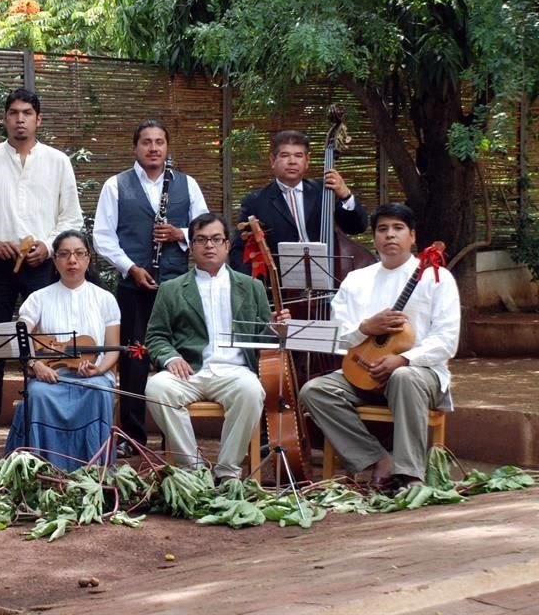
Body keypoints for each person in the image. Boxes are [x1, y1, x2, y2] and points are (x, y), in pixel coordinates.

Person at [298, 203, 460, 487]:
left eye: (398, 228)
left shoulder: (435, 277)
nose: (390, 235)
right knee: (315, 391)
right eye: (383, 229)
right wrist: (366, 328)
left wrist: (404, 359)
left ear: (412, 236)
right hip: (364, 373)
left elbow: (447, 341)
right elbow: (337, 335)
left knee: (404, 377)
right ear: (374, 238)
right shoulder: (357, 279)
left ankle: (410, 474)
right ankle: (377, 459)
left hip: (419, 374)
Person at [0, 88, 84, 450]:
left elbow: (71, 216)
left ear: (38, 119)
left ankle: (44, 423)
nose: (19, 119)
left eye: (27, 113)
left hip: (41, 264)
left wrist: (48, 244)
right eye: (13, 112)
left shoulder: (58, 162)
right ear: (5, 118)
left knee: (44, 344)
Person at [144, 213, 290, 480]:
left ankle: (227, 471)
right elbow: (155, 336)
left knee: (250, 390)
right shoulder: (172, 288)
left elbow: (262, 338)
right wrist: (170, 357)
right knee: (156, 387)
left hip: (235, 370)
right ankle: (194, 469)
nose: (208, 245)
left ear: (226, 245)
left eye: (215, 239)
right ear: (192, 246)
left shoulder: (251, 287)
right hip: (190, 371)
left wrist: (275, 330)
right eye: (200, 239)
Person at [92, 120, 209, 455]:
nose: (154, 148)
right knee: (134, 358)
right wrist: (131, 267)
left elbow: (204, 227)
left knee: (179, 355)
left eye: (160, 142)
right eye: (146, 142)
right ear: (135, 147)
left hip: (177, 285)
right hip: (134, 283)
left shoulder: (186, 184)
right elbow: (103, 237)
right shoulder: (116, 185)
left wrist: (179, 234)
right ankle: (133, 436)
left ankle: (176, 438)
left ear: (167, 147)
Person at [4, 231, 121, 471]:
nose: (72, 261)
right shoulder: (38, 298)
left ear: (88, 259)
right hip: (52, 376)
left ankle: (92, 470)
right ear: (55, 261)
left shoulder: (106, 299)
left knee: (99, 392)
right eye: (65, 255)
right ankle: (42, 470)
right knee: (37, 395)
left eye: (79, 254)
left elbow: (112, 349)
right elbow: (21, 335)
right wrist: (35, 365)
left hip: (92, 376)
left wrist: (98, 369)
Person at [230, 130, 367, 275]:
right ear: (272, 160)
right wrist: (253, 290)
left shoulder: (324, 192)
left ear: (307, 160)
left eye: (298, 155)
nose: (292, 161)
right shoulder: (255, 202)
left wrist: (346, 195)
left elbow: (356, 227)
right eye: (285, 155)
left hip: (329, 275)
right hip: (280, 285)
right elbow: (240, 250)